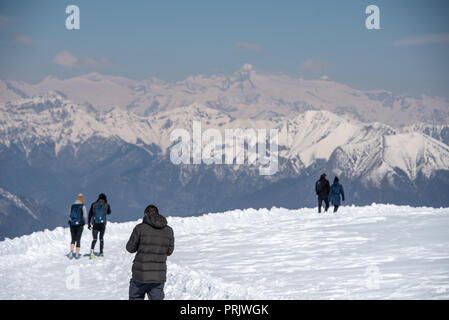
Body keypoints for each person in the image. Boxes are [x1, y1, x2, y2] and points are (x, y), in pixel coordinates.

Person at [126, 205, 175, 300]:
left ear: (145, 214)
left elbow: (130, 248)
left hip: (140, 275)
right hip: (158, 276)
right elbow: (169, 251)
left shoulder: (140, 228)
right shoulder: (169, 230)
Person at [88, 193, 111, 259]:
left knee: (94, 239)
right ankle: (101, 253)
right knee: (101, 239)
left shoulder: (94, 204)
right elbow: (109, 212)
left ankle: (91, 253)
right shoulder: (106, 205)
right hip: (102, 224)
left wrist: (89, 224)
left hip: (95, 224)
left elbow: (90, 214)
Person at [67, 193, 87, 259]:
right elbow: (85, 216)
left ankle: (71, 251)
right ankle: (77, 255)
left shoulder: (72, 206)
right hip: (80, 225)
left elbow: (70, 215)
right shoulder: (83, 206)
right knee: (78, 239)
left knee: (73, 239)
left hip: (72, 224)